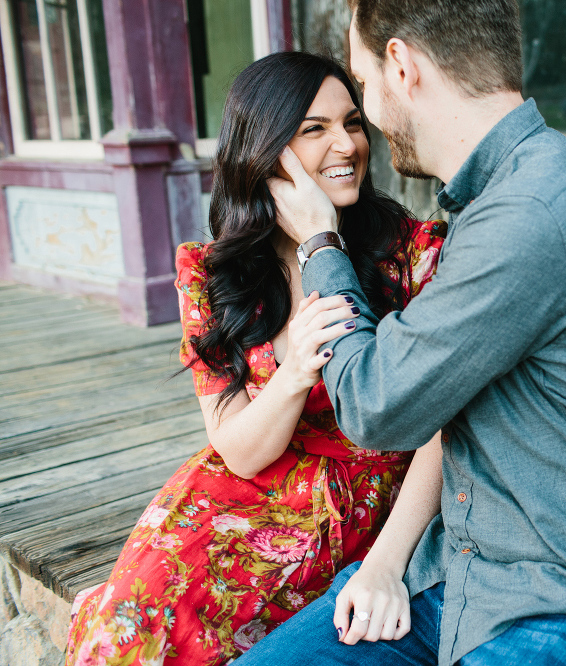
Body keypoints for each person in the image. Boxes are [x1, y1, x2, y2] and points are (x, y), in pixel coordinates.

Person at [235, 0, 566, 664]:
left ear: (402, 66)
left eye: (363, 85)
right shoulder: (498, 200)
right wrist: (386, 563)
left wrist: (318, 243)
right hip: (463, 572)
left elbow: (375, 403)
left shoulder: (532, 213)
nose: (366, 113)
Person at [64, 51, 447, 666]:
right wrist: (295, 372)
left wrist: (387, 563)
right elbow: (238, 448)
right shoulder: (213, 273)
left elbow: (443, 426)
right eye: (313, 130)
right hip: (234, 492)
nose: (347, 144)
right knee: (130, 626)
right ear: (264, 152)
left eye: (351, 122)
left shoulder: (413, 258)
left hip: (358, 507)